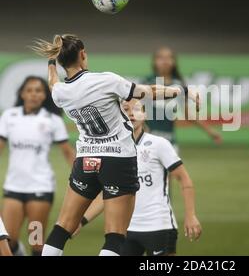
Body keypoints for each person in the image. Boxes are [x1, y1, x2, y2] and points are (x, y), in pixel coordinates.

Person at [30, 34, 198, 256]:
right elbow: (149, 92)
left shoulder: (60, 92)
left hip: (86, 160)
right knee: (116, 236)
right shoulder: (106, 80)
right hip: (118, 160)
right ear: (83, 55)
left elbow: (52, 81)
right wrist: (181, 90)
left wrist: (51, 62)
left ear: (61, 61)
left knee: (62, 228)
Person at [74, 99, 202, 255]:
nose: (131, 113)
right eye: (125, 109)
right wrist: (81, 221)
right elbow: (109, 193)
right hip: (125, 229)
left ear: (145, 114)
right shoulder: (113, 150)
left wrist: (191, 215)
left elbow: (184, 179)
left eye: (136, 109)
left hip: (159, 226)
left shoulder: (158, 144)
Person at [0, 76, 75, 256]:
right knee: (7, 241)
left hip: (40, 189)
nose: (33, 94)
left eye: (38, 90)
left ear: (44, 96)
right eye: (29, 90)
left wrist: (85, 179)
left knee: (36, 242)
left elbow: (67, 153)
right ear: (22, 93)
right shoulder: (9, 116)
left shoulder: (52, 120)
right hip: (13, 187)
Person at [144, 46, 222, 150]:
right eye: (161, 58)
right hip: (148, 140)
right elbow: (137, 110)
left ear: (174, 62)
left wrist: (209, 131)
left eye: (169, 58)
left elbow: (188, 114)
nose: (165, 61)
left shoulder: (178, 84)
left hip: (169, 141)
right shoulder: (147, 82)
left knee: (175, 166)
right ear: (154, 61)